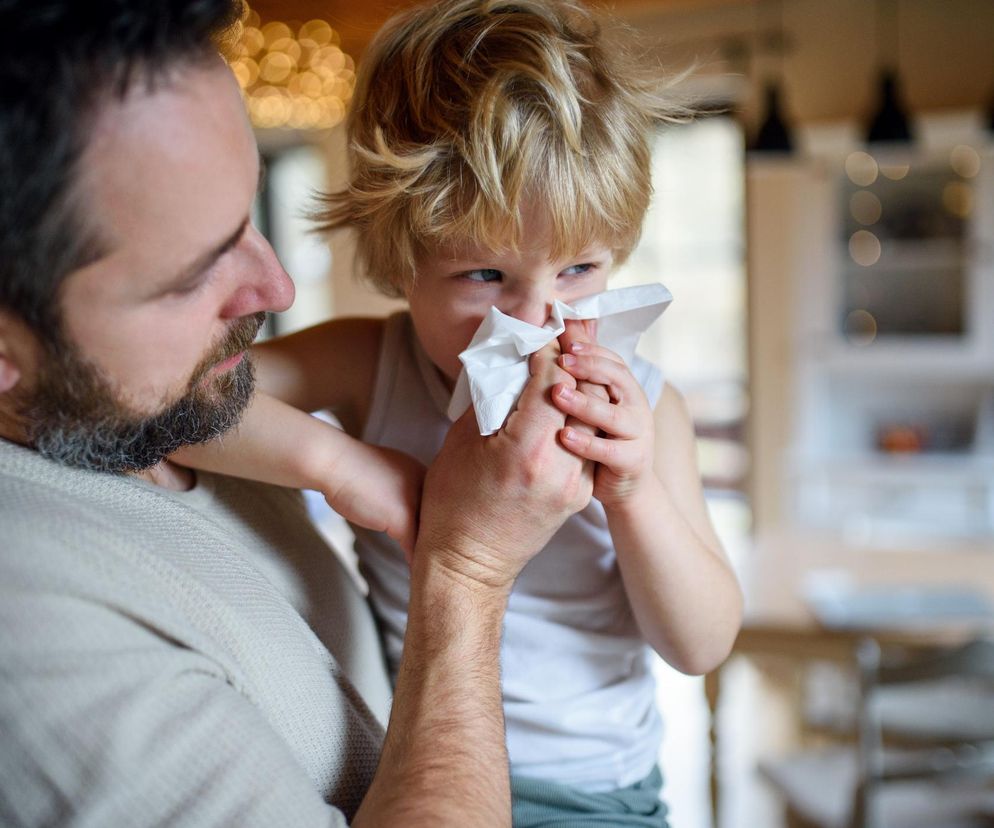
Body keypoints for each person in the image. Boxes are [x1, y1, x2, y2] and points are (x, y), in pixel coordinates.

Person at [0, 1, 596, 824]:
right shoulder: (31, 635)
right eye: (191, 275)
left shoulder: (162, 406)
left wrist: (341, 463)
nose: (276, 290)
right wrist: (466, 576)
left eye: (248, 217)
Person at [176, 0, 744, 824]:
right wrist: (349, 466)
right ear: (400, 262)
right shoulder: (373, 364)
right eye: (485, 277)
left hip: (595, 792)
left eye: (581, 267)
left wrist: (637, 491)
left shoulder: (652, 408)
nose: (539, 317)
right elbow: (181, 404)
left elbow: (700, 645)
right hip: (412, 760)